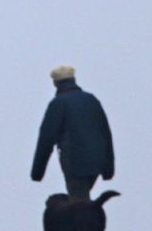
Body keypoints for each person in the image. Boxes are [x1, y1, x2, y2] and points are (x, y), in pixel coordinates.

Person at [30, 66, 115, 200]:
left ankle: (85, 218)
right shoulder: (91, 100)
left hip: (74, 163)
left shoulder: (58, 104)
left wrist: (37, 173)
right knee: (83, 199)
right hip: (96, 161)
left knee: (79, 202)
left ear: (55, 83)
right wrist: (108, 169)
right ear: (74, 79)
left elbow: (46, 140)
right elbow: (105, 133)